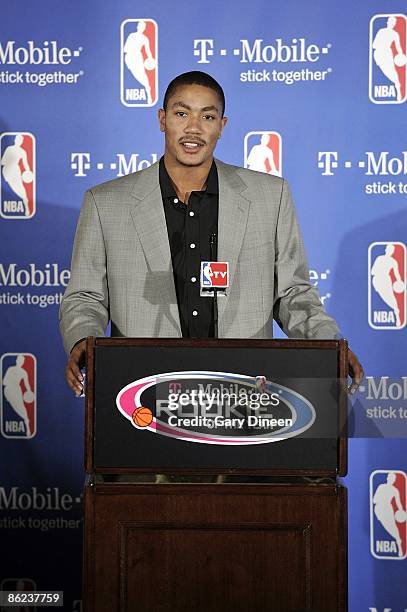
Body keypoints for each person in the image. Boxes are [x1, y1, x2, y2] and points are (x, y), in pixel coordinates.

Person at [60, 70, 363, 396]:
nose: (193, 128)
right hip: (145, 392)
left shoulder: (270, 197)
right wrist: (83, 340)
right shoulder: (106, 204)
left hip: (243, 393)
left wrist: (331, 346)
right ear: (162, 119)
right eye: (181, 113)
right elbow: (84, 297)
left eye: (207, 116)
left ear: (222, 125)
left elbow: (293, 294)